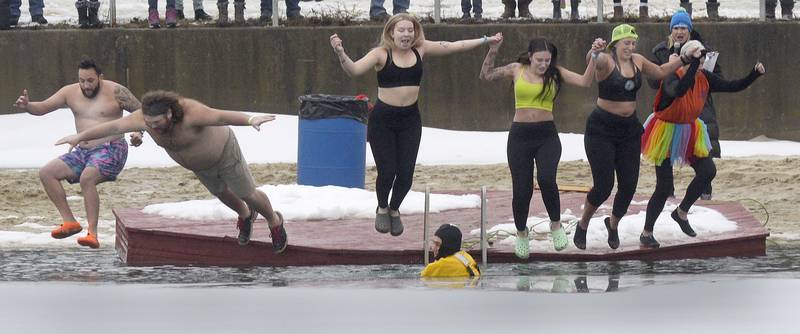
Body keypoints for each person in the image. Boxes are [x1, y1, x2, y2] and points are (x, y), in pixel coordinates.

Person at [329, 13, 500, 237]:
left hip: (410, 120)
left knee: (406, 175)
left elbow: (454, 46)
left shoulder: (421, 49)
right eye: (401, 30)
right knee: (387, 171)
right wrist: (340, 52)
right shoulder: (381, 54)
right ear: (391, 32)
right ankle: (382, 207)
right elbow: (354, 70)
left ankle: (394, 208)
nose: (407, 34)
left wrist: (487, 40)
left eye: (410, 30)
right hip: (383, 121)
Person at [55, 90, 289, 254]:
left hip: (224, 154)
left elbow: (220, 115)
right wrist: (80, 136)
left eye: (157, 123)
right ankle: (246, 216)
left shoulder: (191, 112)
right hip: (200, 165)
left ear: (169, 114)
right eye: (149, 123)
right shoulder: (145, 118)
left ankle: (273, 221)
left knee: (246, 192)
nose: (152, 127)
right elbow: (114, 126)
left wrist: (250, 119)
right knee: (222, 193)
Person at [573, 24, 697, 250]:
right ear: (615, 45)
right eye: (625, 43)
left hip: (629, 129)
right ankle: (583, 224)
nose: (629, 47)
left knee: (629, 185)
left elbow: (660, 72)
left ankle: (613, 223)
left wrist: (683, 59)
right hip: (601, 129)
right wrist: (594, 51)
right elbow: (593, 59)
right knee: (603, 186)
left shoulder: (638, 60)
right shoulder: (606, 61)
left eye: (632, 43)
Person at [479, 35, 600, 257]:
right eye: (539, 60)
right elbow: (486, 75)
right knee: (522, 189)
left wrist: (594, 56)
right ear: (530, 57)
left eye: (547, 60)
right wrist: (493, 49)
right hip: (520, 137)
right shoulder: (517, 69)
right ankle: (522, 233)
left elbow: (585, 81)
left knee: (546, 179)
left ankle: (556, 224)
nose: (544, 64)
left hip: (547, 136)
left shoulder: (556, 73)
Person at [639, 41, 765, 248]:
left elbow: (733, 86)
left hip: (690, 130)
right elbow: (678, 91)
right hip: (664, 131)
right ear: (687, 57)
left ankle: (681, 212)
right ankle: (647, 232)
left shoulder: (704, 77)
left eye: (703, 57)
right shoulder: (673, 74)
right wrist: (692, 65)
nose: (701, 61)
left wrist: (754, 73)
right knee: (663, 187)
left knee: (708, 171)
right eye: (697, 57)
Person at [12, 59, 144, 249]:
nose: (85, 85)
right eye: (82, 80)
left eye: (90, 80)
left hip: (112, 148)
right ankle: (70, 222)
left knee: (87, 178)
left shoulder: (116, 91)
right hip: (83, 151)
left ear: (100, 77)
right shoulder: (69, 92)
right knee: (47, 173)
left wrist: (138, 133)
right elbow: (43, 107)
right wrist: (28, 106)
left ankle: (93, 233)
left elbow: (142, 113)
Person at [650, 8, 723, 200]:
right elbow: (651, 81)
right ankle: (667, 194)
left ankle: (704, 194)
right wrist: (669, 66)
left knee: (703, 154)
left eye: (683, 27)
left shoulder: (704, 50)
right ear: (671, 30)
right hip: (671, 110)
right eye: (676, 27)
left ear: (689, 30)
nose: (679, 31)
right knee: (664, 154)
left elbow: (720, 79)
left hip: (699, 108)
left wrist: (703, 73)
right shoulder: (661, 51)